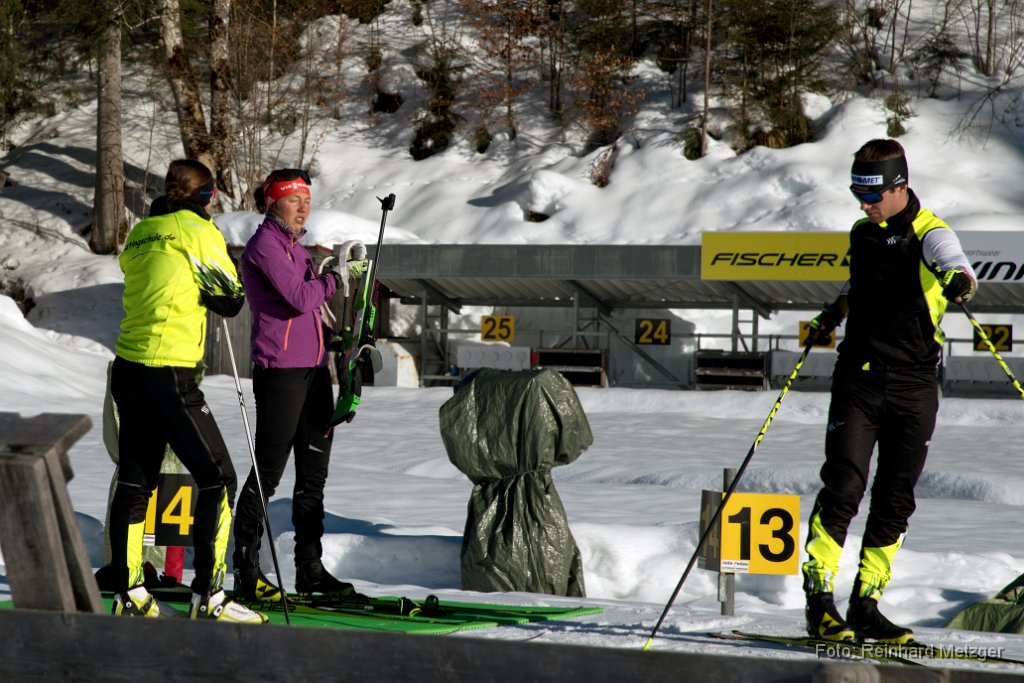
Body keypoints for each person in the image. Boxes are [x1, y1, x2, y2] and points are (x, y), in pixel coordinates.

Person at [801, 139, 977, 644]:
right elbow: (860, 283)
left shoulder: (930, 233)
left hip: (915, 385)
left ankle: (866, 604)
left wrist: (959, 282)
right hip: (859, 378)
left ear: (901, 186)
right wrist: (834, 312)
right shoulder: (863, 233)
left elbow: (957, 264)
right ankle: (819, 603)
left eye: (873, 194)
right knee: (844, 486)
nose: (864, 204)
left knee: (895, 498)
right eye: (858, 193)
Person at [109, 159, 266, 624]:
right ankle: (210, 595)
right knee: (220, 477)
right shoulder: (197, 230)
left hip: (129, 369)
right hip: (169, 371)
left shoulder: (142, 231)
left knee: (136, 480)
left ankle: (131, 592)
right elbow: (231, 298)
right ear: (205, 197)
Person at [232, 168, 367, 601]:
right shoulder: (265, 246)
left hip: (313, 373)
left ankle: (310, 569)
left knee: (313, 475)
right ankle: (246, 570)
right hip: (279, 373)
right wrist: (337, 279)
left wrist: (337, 338)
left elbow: (311, 312)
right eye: (293, 200)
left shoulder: (296, 247)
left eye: (306, 200)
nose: (302, 207)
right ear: (273, 203)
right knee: (267, 474)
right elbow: (301, 298)